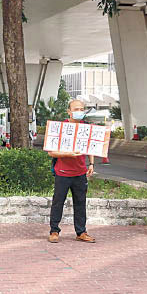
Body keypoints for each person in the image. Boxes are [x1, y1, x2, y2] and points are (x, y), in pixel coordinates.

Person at [47, 99, 95, 243]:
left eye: (81, 109)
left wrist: (91, 164)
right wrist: (67, 154)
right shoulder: (61, 128)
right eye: (76, 109)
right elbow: (51, 152)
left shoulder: (86, 128)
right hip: (63, 173)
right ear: (69, 111)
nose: (79, 112)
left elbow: (90, 147)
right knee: (58, 202)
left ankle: (81, 231)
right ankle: (54, 231)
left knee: (80, 203)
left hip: (80, 173)